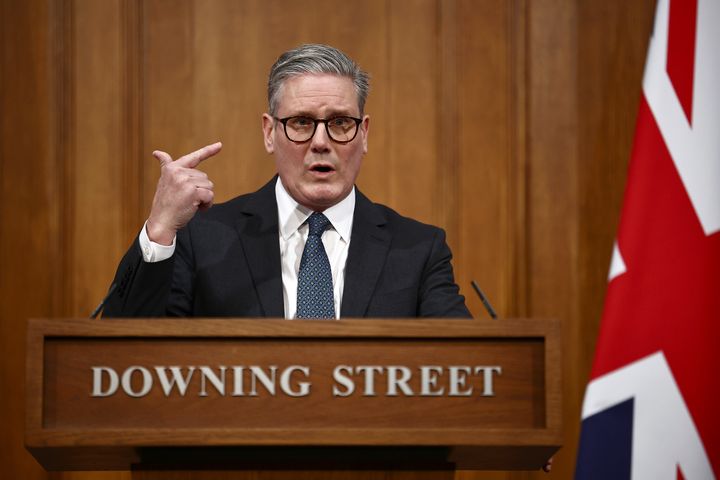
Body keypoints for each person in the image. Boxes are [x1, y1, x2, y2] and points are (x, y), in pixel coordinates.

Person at [103, 44, 470, 319]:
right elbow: (126, 359)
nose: (321, 142)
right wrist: (161, 228)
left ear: (365, 133)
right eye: (301, 123)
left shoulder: (420, 250)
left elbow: (464, 368)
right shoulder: (202, 240)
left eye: (341, 123)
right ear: (269, 133)